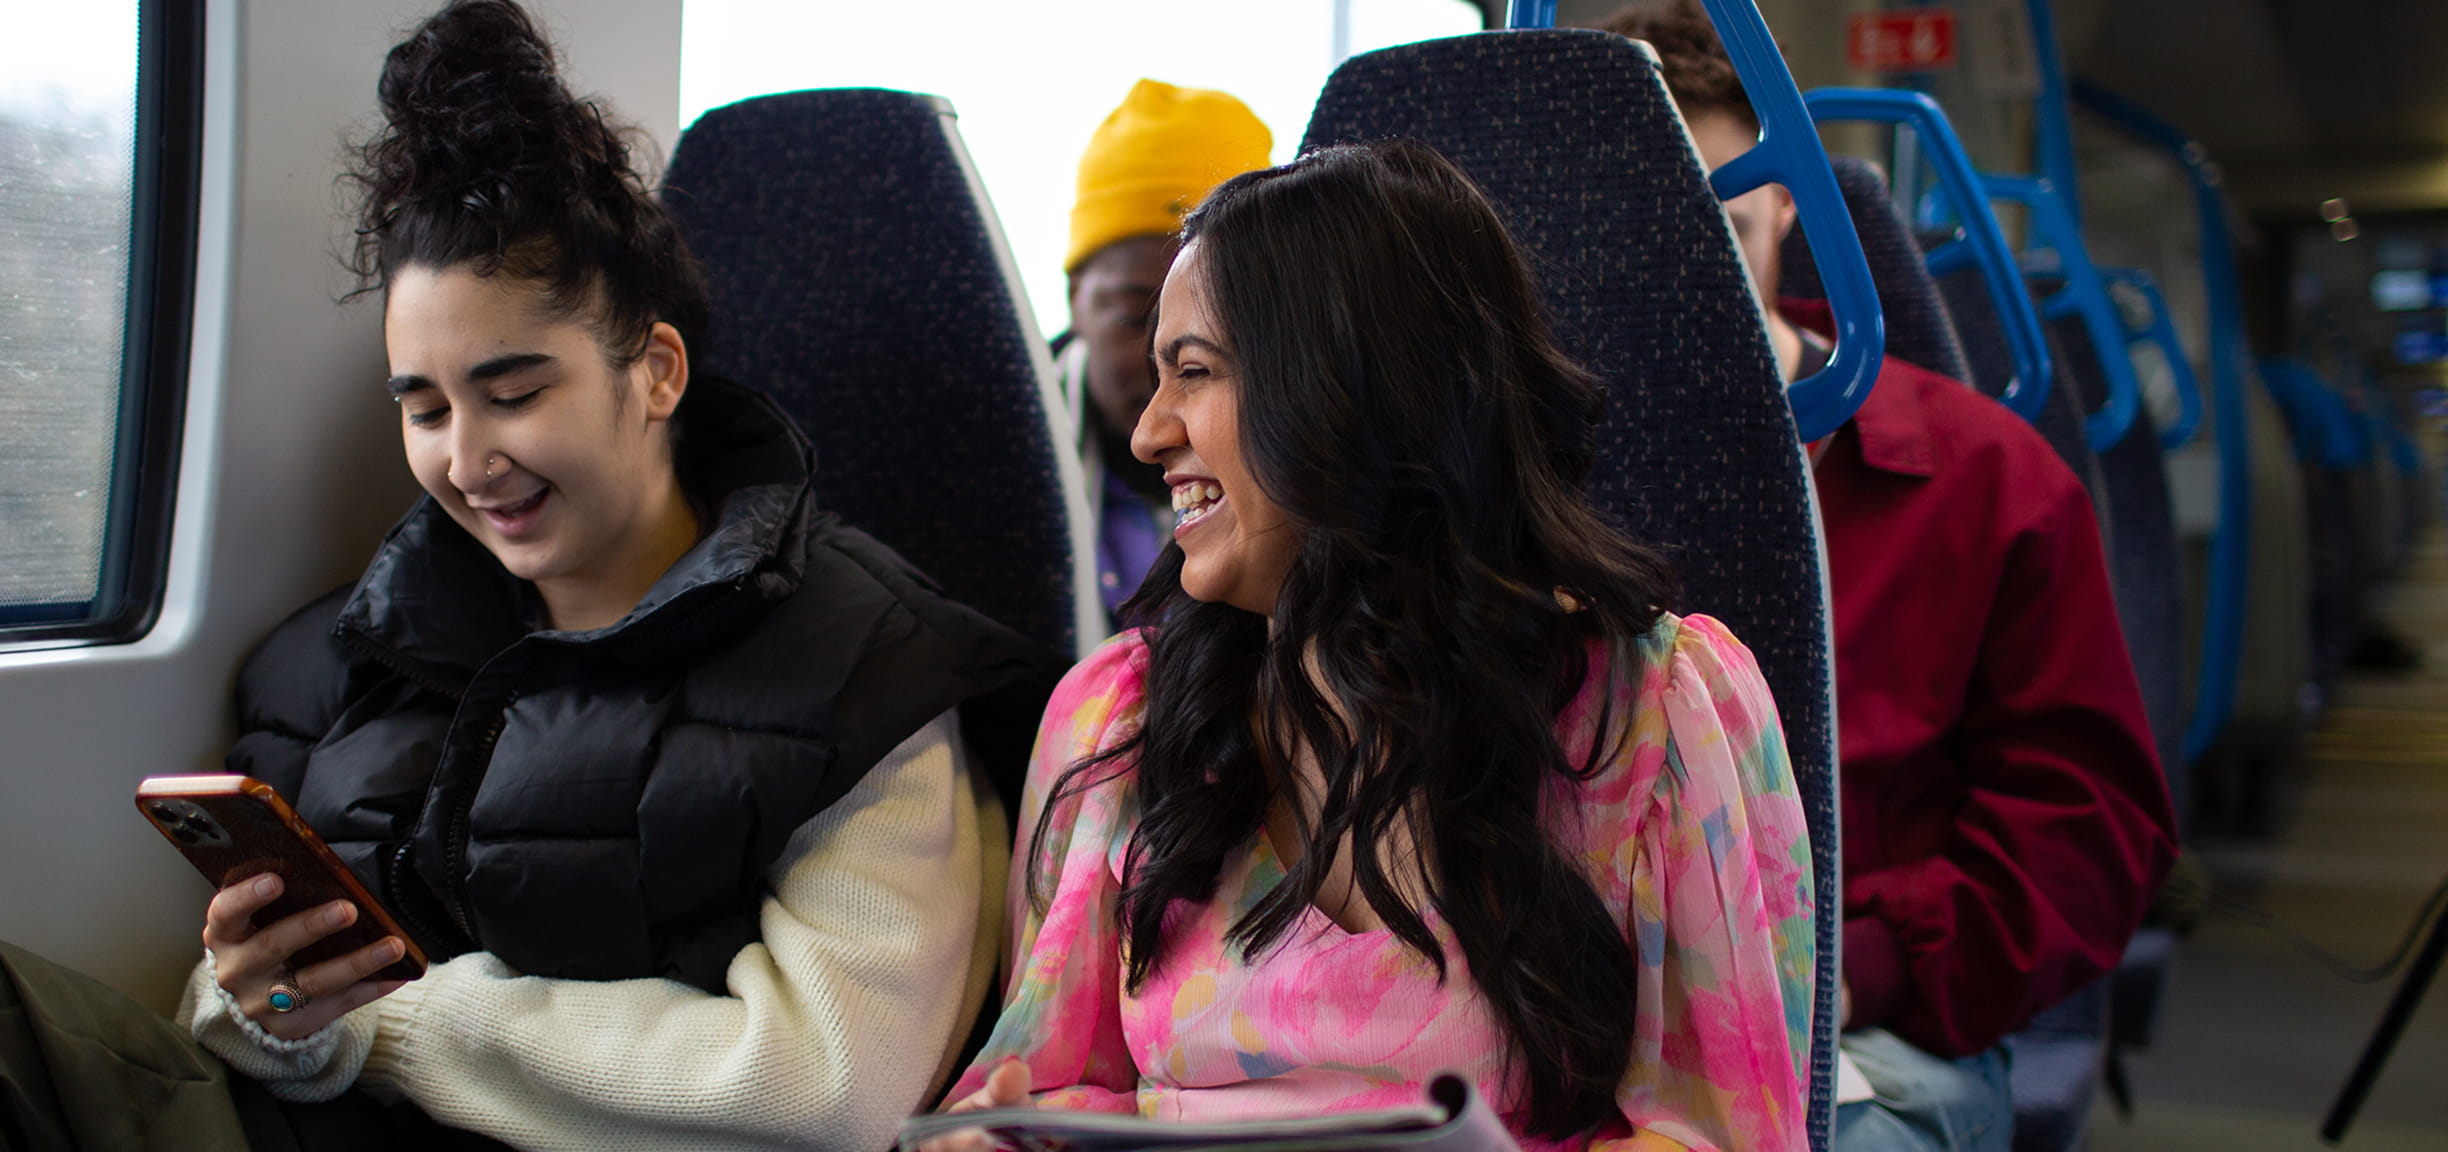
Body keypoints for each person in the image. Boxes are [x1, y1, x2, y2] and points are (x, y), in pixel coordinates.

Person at [0, 3, 1056, 1149]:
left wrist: (403, 1025)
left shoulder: (865, 672)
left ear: (655, 371)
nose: (467, 459)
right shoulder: (347, 657)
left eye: (513, 392)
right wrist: (269, 1006)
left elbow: (822, 1087)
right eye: (424, 407)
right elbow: (261, 1021)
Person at [926, 140, 1813, 1152]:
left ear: (1350, 391)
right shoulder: (1119, 718)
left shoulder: (1653, 714)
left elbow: (1717, 1131)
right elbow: (1047, 1085)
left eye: (1196, 373)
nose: (1149, 432)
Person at [1592, 4, 2178, 1149]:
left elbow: (2089, 828)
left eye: (1719, 230)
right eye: (1639, 240)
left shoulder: (1984, 479)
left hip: (1866, 1024)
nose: (1683, 283)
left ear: (1785, 208)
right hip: (1554, 1010)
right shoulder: (1495, 473)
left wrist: (1861, 966)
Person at [1058, 79, 1271, 623]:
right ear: (1075, 297)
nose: (1161, 382)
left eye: (1207, 343)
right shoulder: (999, 453)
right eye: (1135, 319)